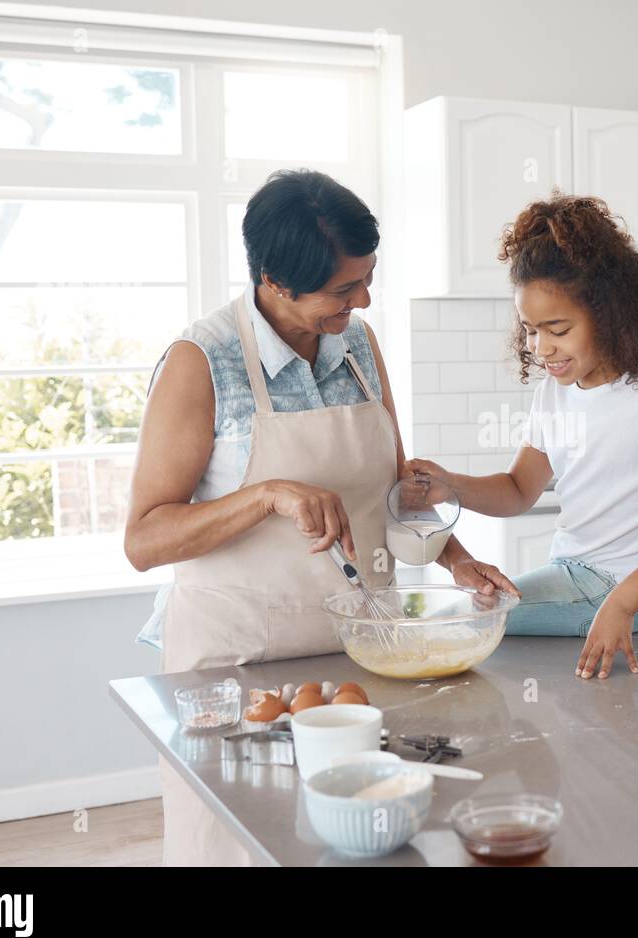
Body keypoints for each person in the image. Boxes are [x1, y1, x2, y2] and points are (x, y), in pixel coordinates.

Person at [124, 169, 515, 865]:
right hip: (237, 671)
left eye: (367, 279)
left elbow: (397, 488)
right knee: (239, 847)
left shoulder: (358, 346)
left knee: (359, 840)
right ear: (275, 279)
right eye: (343, 288)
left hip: (358, 656)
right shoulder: (201, 362)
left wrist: (459, 560)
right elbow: (144, 538)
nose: (362, 300)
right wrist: (265, 493)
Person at [406, 193, 638, 680]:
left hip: (619, 589)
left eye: (557, 328)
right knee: (463, 619)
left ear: (610, 315)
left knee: (458, 622)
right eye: (530, 330)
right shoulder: (556, 395)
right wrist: (453, 486)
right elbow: (518, 491)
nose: (540, 347)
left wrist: (621, 604)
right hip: (574, 577)